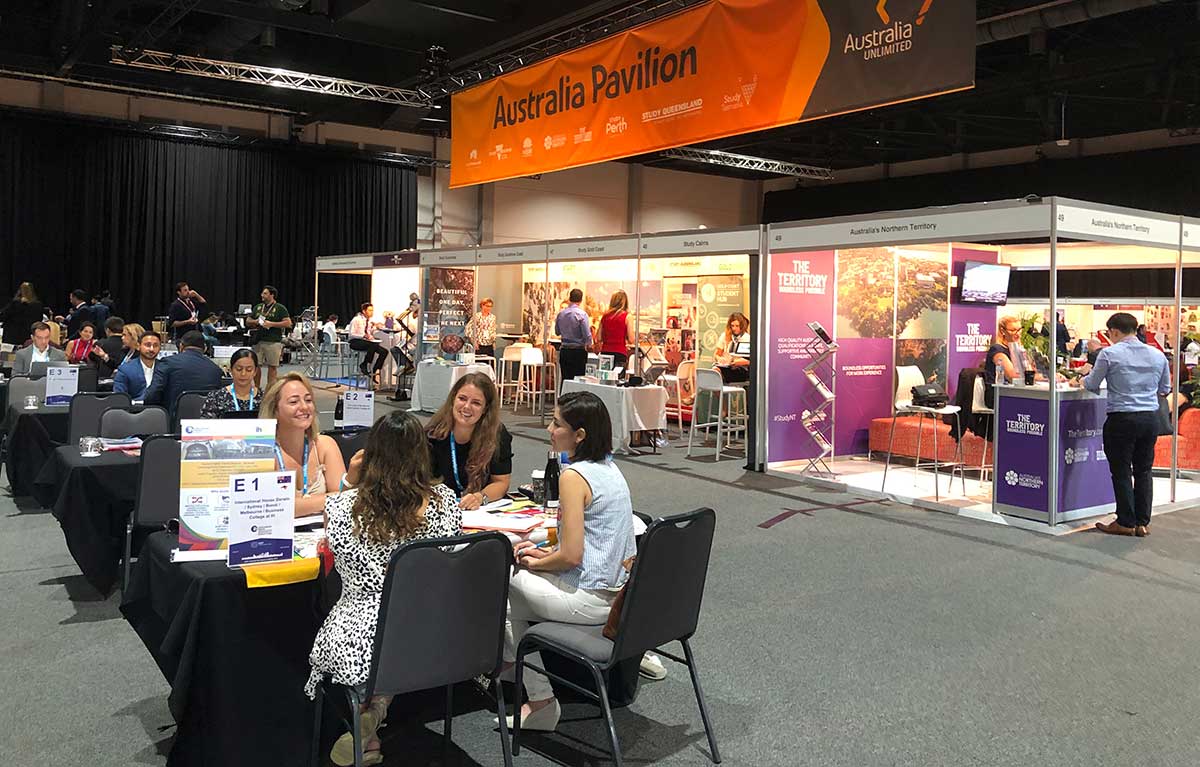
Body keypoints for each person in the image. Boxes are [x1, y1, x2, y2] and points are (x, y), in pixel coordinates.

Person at [305, 411, 462, 767]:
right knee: (394, 635)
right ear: (421, 453)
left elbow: (335, 549)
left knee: (372, 635)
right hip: (432, 634)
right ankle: (373, 720)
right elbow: (450, 558)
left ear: (370, 453)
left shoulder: (341, 506)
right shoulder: (445, 502)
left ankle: (369, 717)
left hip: (359, 632)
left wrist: (348, 482)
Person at [500, 391, 637, 733]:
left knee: (500, 588)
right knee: (518, 592)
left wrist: (538, 562)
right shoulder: (611, 468)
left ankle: (539, 696)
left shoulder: (573, 477)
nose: (549, 429)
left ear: (580, 435)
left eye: (557, 424)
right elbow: (588, 546)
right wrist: (547, 557)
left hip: (587, 598)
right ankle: (513, 671)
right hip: (616, 597)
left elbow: (572, 555)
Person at [1074, 312, 1170, 537]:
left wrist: (1080, 379)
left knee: (1121, 471)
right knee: (1144, 470)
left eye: (1109, 333)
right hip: (1150, 418)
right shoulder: (1158, 355)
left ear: (1114, 331)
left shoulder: (1109, 353)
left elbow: (1092, 384)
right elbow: (1164, 389)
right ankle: (1142, 522)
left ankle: (1125, 521)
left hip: (1122, 419)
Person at [260, 372, 346, 517]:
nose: (304, 407)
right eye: (294, 402)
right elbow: (269, 508)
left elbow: (344, 500)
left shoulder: (325, 445)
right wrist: (327, 500)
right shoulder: (263, 451)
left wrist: (298, 505)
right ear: (275, 410)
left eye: (308, 400)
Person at [425, 372, 513, 510]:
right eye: (462, 398)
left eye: (476, 403)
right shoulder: (432, 434)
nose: (466, 406)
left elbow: (501, 482)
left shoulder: (498, 435)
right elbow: (421, 481)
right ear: (453, 399)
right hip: (441, 508)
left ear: (485, 409)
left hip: (479, 511)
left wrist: (480, 497)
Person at [144, 331, 223, 418]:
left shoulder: (167, 363)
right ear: (205, 348)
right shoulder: (215, 370)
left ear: (181, 346)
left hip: (172, 423)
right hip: (205, 424)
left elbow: (151, 396)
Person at [246, 285, 291, 388]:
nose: (262, 295)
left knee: (272, 367)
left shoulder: (280, 308)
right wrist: (255, 321)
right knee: (256, 366)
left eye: (265, 293)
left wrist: (271, 324)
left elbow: (288, 323)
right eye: (262, 293)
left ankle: (270, 390)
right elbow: (248, 321)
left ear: (272, 295)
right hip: (258, 341)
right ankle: (257, 389)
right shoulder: (258, 307)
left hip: (273, 341)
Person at [983, 315, 1026, 409]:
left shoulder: (1017, 349)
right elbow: (1012, 376)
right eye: (1013, 330)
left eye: (1019, 329)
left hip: (1013, 392)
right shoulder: (997, 350)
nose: (1017, 334)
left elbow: (1029, 371)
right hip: (998, 395)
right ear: (1003, 331)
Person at [201, 349, 260, 417]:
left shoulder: (264, 398)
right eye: (239, 369)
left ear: (255, 371)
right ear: (231, 370)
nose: (243, 374)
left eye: (249, 370)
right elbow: (206, 424)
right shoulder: (216, 397)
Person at [554, 288, 592, 382]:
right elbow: (587, 335)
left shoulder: (561, 314)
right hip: (578, 352)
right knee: (578, 380)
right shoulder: (582, 315)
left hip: (564, 351)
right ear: (581, 300)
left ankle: (565, 396)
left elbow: (557, 332)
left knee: (565, 379)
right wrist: (590, 344)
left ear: (569, 298)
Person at [113, 331, 162, 400]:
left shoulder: (164, 368)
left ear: (160, 348)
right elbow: (119, 398)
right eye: (147, 345)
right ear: (139, 346)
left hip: (160, 409)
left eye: (155, 345)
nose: (151, 349)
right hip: (134, 409)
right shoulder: (125, 369)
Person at [348, 303, 387, 385]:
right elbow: (351, 334)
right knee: (372, 345)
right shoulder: (356, 320)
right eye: (369, 310)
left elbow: (368, 332)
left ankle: (374, 370)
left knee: (384, 351)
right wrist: (363, 336)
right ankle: (364, 364)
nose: (371, 312)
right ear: (364, 311)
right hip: (355, 341)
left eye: (372, 310)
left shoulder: (368, 322)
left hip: (366, 342)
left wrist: (371, 335)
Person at [597, 290, 636, 371]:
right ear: (625, 302)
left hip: (605, 353)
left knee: (604, 380)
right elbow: (631, 340)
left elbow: (599, 338)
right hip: (620, 353)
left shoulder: (605, 316)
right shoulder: (627, 317)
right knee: (618, 380)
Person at [0, 282, 44, 347]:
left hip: (11, 339)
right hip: (29, 339)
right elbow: (39, 320)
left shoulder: (14, 304)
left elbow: (2, 316)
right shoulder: (38, 305)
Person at [714, 312, 751, 384]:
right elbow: (716, 354)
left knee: (718, 373)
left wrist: (741, 362)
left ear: (742, 325)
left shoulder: (747, 338)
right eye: (732, 326)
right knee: (715, 371)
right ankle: (717, 394)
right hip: (726, 367)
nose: (734, 328)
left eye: (737, 326)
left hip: (741, 370)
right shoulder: (725, 336)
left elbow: (751, 361)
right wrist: (720, 359)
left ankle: (719, 393)